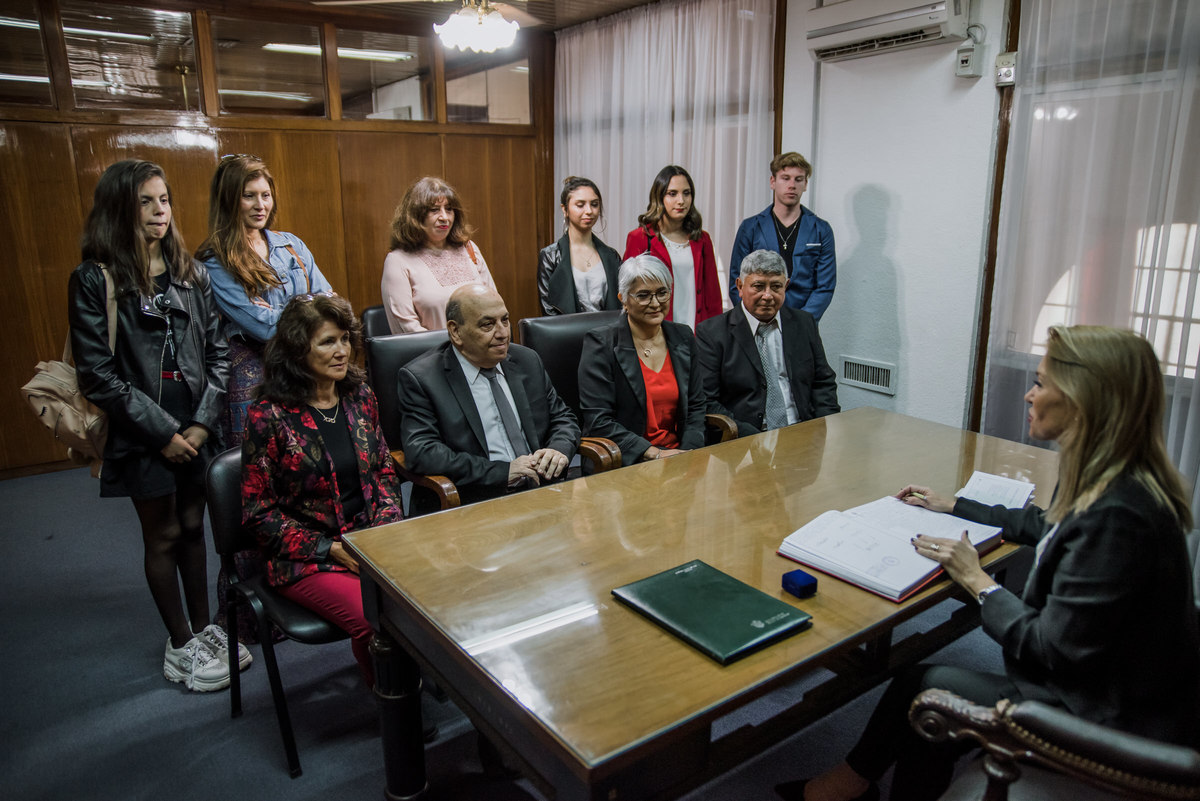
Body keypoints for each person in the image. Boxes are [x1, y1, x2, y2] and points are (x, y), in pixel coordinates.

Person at [778, 325, 1200, 801]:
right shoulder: (1120, 481)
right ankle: (853, 785)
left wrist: (977, 580)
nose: (1029, 394)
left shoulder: (1118, 517)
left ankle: (846, 787)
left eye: (1041, 383)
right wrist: (956, 505)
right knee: (920, 689)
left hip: (1103, 716)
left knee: (925, 695)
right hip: (1117, 687)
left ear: (1083, 401)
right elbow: (1048, 525)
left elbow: (1047, 648)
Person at [68, 159, 248, 692]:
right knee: (163, 533)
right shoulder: (94, 278)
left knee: (193, 526)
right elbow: (97, 375)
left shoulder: (190, 273)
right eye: (145, 202)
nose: (159, 211)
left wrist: (201, 424)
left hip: (195, 429)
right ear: (119, 209)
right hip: (142, 434)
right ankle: (179, 643)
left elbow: (219, 355)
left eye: (164, 200)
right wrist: (163, 433)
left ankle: (205, 629)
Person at [241, 295, 403, 688]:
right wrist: (331, 548)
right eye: (328, 341)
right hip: (307, 557)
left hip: (370, 540)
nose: (342, 350)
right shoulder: (269, 415)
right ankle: (394, 703)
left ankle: (414, 681)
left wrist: (381, 533)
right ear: (298, 350)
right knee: (375, 617)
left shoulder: (359, 396)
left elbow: (383, 472)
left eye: (345, 339)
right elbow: (258, 513)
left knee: (431, 592)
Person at [397, 284, 580, 510]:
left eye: (505, 320)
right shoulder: (423, 379)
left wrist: (559, 449)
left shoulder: (526, 360)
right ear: (455, 331)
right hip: (472, 502)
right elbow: (423, 452)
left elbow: (563, 417)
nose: (503, 333)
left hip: (542, 493)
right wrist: (502, 472)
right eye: (488, 324)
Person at [196, 154, 334, 448]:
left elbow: (329, 302)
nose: (260, 205)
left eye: (265, 195)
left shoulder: (291, 244)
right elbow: (264, 327)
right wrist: (308, 306)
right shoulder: (215, 260)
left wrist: (289, 311)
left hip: (304, 360)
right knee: (262, 457)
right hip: (255, 367)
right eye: (249, 196)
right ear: (229, 199)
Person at [578, 255, 707, 463]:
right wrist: (654, 453)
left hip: (679, 455)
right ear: (623, 299)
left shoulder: (683, 336)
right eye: (643, 295)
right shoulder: (601, 343)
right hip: (626, 459)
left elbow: (696, 406)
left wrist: (689, 453)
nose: (655, 303)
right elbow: (599, 421)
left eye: (662, 293)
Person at [697, 249, 839, 436]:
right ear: (740, 286)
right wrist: (749, 437)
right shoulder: (712, 333)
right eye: (758, 286)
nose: (767, 295)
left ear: (786, 286)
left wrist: (824, 427)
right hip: (745, 438)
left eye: (776, 287)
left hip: (802, 430)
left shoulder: (804, 323)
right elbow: (706, 400)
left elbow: (823, 382)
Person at [730, 152, 835, 321]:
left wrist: (803, 321)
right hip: (757, 320)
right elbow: (736, 282)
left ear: (805, 184)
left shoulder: (821, 229)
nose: (792, 185)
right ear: (773, 181)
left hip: (803, 321)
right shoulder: (750, 228)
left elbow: (825, 287)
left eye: (798, 179)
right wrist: (754, 319)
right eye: (785, 178)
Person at [382, 176, 495, 333]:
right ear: (415, 216)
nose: (444, 217)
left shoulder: (469, 248)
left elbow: (495, 305)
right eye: (434, 210)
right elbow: (407, 328)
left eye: (449, 209)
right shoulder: (398, 261)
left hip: (483, 346)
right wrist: (455, 346)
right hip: (432, 349)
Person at [622, 165, 722, 330]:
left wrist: (716, 334)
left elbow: (713, 297)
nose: (681, 201)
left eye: (686, 193)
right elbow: (629, 294)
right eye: (672, 193)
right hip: (655, 332)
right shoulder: (639, 237)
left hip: (697, 332)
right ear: (659, 196)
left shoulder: (702, 239)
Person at [537, 176, 622, 315]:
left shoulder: (612, 256)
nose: (589, 211)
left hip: (608, 328)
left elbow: (622, 303)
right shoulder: (550, 256)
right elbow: (548, 310)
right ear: (565, 209)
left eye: (594, 204)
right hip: (566, 328)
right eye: (580, 205)